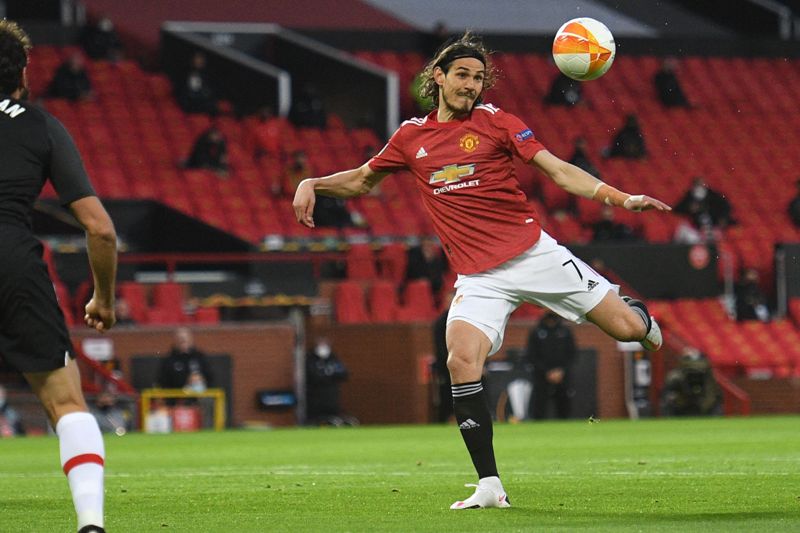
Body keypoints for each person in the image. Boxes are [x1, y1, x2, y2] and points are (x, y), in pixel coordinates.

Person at [293, 32, 670, 510]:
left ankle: (641, 317)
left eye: (478, 78)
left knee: (626, 330)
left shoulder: (497, 122)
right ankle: (489, 484)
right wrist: (313, 182)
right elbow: (363, 179)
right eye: (462, 75)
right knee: (460, 361)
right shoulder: (411, 137)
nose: (471, 85)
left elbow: (557, 170)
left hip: (534, 255)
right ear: (439, 77)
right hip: (479, 276)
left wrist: (621, 198)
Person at [0, 20, 117, 533]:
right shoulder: (41, 125)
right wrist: (105, 300)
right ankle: (90, 523)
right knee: (67, 402)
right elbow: (101, 230)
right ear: (22, 76)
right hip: (13, 262)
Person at [525, 312, 577, 419]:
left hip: (562, 376)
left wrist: (561, 371)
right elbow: (532, 355)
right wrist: (546, 371)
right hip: (541, 376)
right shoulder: (536, 332)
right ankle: (538, 428)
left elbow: (572, 354)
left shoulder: (565, 332)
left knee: (564, 404)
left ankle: (565, 427)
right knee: (539, 404)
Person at [660, 347, 723, 416]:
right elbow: (667, 396)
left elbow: (714, 396)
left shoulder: (709, 378)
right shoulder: (675, 377)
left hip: (704, 409)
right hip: (681, 410)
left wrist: (705, 404)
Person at [305, 337, 351, 425]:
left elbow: (343, 374)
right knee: (316, 417)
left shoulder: (333, 359)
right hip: (315, 396)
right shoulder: (311, 359)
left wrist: (327, 376)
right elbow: (313, 376)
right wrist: (328, 376)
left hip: (332, 396)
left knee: (332, 415)